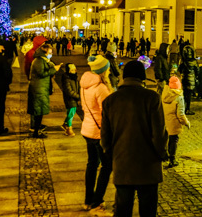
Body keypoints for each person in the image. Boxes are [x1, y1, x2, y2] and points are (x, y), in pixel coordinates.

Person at [101, 61, 168, 217]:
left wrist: (112, 156)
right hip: (148, 165)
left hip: (123, 163)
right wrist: (162, 154)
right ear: (142, 77)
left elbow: (105, 137)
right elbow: (159, 134)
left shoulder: (111, 101)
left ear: (125, 77)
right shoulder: (152, 98)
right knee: (148, 210)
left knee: (123, 210)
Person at [80, 55, 113, 215]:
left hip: (87, 129)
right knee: (107, 166)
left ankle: (88, 199)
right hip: (99, 133)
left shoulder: (85, 85)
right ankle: (97, 200)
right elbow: (107, 113)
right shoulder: (100, 88)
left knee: (92, 164)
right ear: (103, 70)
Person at [28, 44, 61, 138]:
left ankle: (37, 129)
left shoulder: (44, 60)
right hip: (39, 88)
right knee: (38, 111)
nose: (51, 54)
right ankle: (36, 132)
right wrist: (54, 69)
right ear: (44, 52)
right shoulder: (39, 61)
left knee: (40, 110)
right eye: (50, 52)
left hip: (41, 87)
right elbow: (42, 73)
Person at [162, 76, 190, 168]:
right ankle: (172, 159)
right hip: (173, 123)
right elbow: (180, 114)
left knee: (165, 138)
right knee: (173, 140)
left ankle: (164, 155)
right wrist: (186, 123)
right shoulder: (179, 97)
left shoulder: (165, 94)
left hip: (165, 121)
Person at [178, 44, 199, 115]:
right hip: (191, 79)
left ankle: (183, 108)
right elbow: (197, 70)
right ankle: (188, 108)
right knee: (189, 95)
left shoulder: (182, 61)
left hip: (184, 79)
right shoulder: (194, 61)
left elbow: (179, 69)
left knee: (184, 94)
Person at [61, 63, 79, 137]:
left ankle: (65, 124)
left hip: (73, 98)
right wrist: (78, 96)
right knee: (70, 114)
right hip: (70, 99)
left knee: (72, 112)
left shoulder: (74, 77)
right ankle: (69, 129)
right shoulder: (67, 79)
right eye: (72, 70)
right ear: (68, 70)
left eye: (74, 69)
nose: (74, 71)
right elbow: (69, 91)